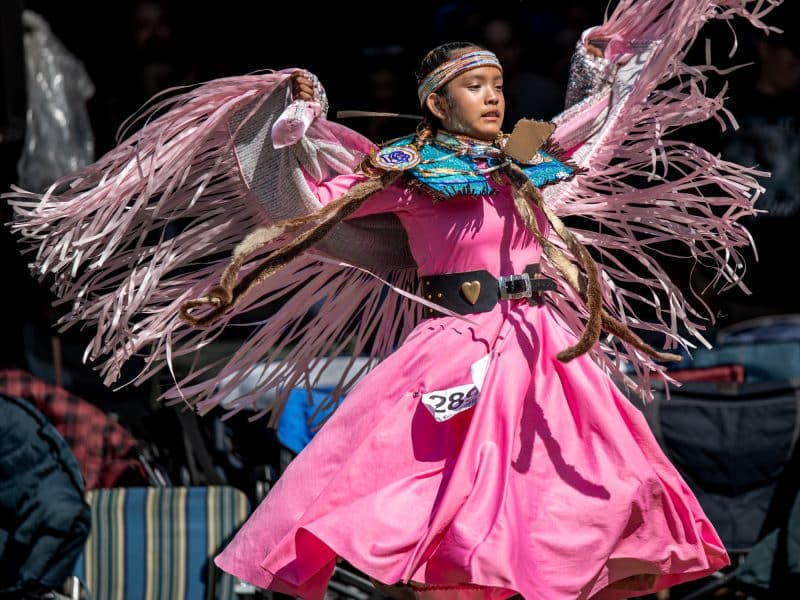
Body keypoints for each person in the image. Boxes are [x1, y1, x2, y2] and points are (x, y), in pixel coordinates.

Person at [6, 1, 780, 598]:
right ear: (437, 102)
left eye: (497, 85)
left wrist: (593, 70)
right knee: (434, 514)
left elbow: (595, 132)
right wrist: (278, 120)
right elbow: (293, 206)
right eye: (473, 86)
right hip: (455, 352)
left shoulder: (527, 158)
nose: (490, 97)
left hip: (546, 353)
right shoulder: (403, 171)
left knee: (587, 500)